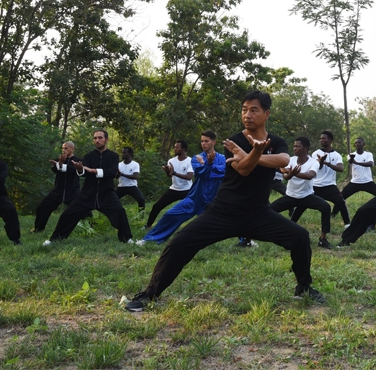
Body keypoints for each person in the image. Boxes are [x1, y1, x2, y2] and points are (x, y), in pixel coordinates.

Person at [124, 90, 325, 312]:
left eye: (253, 110)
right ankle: (149, 294)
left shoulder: (275, 141)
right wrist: (254, 154)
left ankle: (304, 288)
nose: (247, 115)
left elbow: (284, 159)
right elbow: (244, 169)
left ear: (266, 114)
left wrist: (252, 153)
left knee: (300, 237)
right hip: (223, 212)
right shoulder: (234, 141)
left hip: (258, 214)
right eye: (244, 110)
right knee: (180, 242)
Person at [44, 129, 133, 244]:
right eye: (95, 138)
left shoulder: (113, 156)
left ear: (106, 140)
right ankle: (54, 240)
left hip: (106, 193)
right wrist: (80, 169)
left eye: (100, 138)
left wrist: (93, 170)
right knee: (68, 214)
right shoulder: (89, 156)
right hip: (87, 193)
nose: (97, 140)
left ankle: (127, 239)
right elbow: (83, 173)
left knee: (120, 211)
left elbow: (112, 172)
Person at [138, 131, 226, 245]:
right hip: (196, 197)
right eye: (202, 141)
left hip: (214, 199)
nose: (203, 144)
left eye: (206, 141)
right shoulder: (196, 158)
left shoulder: (222, 158)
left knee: (231, 216)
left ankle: (246, 241)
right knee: (171, 214)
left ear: (213, 142)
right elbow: (200, 173)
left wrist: (208, 165)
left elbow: (222, 173)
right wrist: (208, 165)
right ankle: (149, 239)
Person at [270, 136, 332, 249]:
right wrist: (290, 173)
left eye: (297, 146)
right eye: (294, 146)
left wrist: (294, 173)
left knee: (326, 207)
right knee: (269, 210)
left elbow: (310, 176)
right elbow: (285, 175)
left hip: (306, 196)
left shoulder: (314, 162)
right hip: (290, 196)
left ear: (305, 148)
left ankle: (323, 239)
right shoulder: (291, 160)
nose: (294, 148)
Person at [292, 131, 350, 227]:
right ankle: (292, 222)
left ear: (330, 140)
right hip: (315, 186)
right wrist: (321, 162)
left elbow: (341, 169)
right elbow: (316, 167)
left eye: (324, 138)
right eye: (321, 138)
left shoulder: (337, 155)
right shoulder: (316, 153)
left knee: (340, 202)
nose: (321, 140)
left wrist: (327, 163)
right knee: (302, 204)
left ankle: (347, 224)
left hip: (330, 186)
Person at [32, 141, 82, 233]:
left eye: (66, 148)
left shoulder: (77, 160)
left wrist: (60, 165)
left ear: (72, 149)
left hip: (72, 191)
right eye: (63, 148)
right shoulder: (59, 159)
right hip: (57, 191)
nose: (64, 150)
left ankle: (93, 228)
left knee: (83, 210)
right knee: (42, 208)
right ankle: (38, 229)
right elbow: (54, 169)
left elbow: (73, 170)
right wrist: (60, 162)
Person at [144, 140, 193, 229]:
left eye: (177, 147)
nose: (175, 149)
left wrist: (174, 173)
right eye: (174, 147)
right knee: (157, 206)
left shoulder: (190, 161)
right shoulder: (171, 161)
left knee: (196, 209)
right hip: (174, 189)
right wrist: (168, 172)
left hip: (187, 190)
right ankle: (148, 226)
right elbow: (170, 176)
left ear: (183, 149)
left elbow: (189, 177)